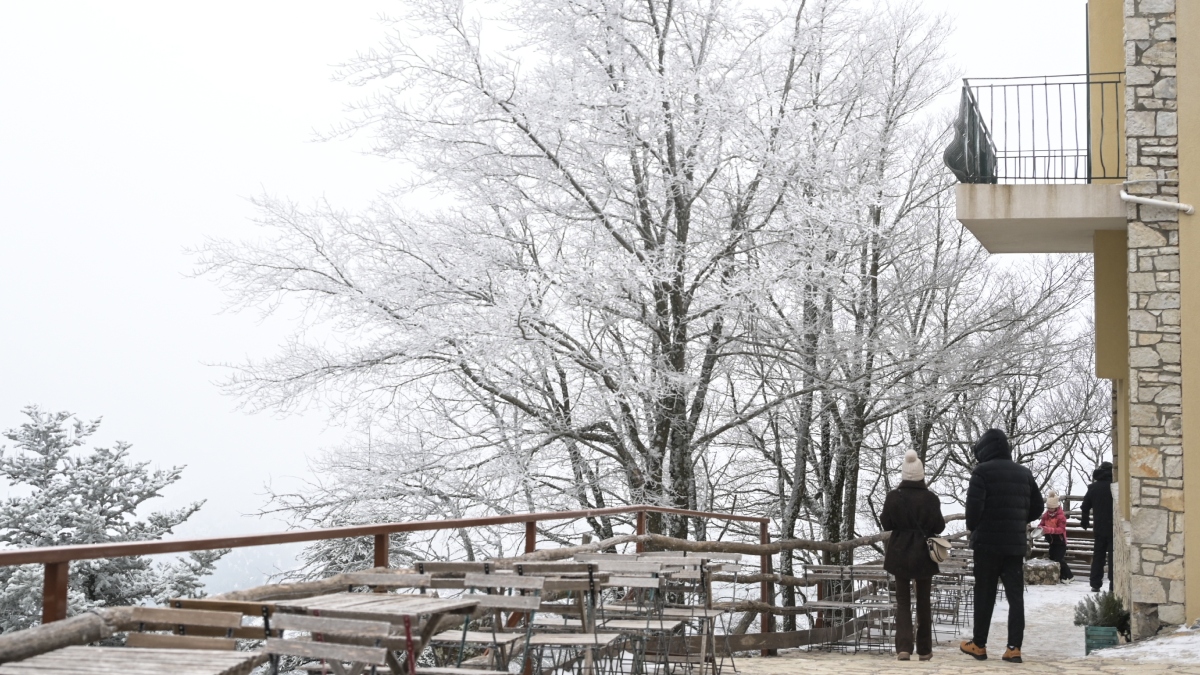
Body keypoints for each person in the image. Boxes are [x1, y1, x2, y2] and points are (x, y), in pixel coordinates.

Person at [960, 428, 1044, 664]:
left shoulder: (982, 472)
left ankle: (979, 645)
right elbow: (1037, 508)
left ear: (985, 449)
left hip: (986, 546)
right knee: (1016, 597)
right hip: (1014, 546)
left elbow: (972, 512)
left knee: (984, 595)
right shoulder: (1024, 473)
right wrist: (1018, 520)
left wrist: (977, 527)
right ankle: (1014, 648)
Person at [881, 450, 945, 662]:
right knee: (924, 600)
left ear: (904, 474)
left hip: (899, 552)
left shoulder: (893, 497)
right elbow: (939, 526)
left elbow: (887, 524)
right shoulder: (931, 498)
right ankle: (925, 649)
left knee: (902, 601)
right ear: (921, 475)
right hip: (923, 555)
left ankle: (903, 648)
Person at [1081, 461, 1115, 593]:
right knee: (1113, 557)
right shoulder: (1115, 486)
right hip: (1113, 527)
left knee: (1098, 557)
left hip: (1099, 527)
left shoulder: (1093, 488)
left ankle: (1095, 584)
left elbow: (1085, 507)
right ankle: (1113, 584)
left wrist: (1085, 521)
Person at [1039, 491, 1074, 583]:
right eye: (1048, 508)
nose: (1050, 510)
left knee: (1059, 559)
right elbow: (1041, 524)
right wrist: (1040, 529)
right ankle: (1061, 577)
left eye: (1051, 508)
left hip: (1060, 542)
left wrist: (1050, 530)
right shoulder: (1046, 516)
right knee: (1052, 558)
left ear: (1055, 507)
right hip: (1051, 541)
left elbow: (1061, 529)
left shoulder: (1061, 517)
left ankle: (1069, 576)